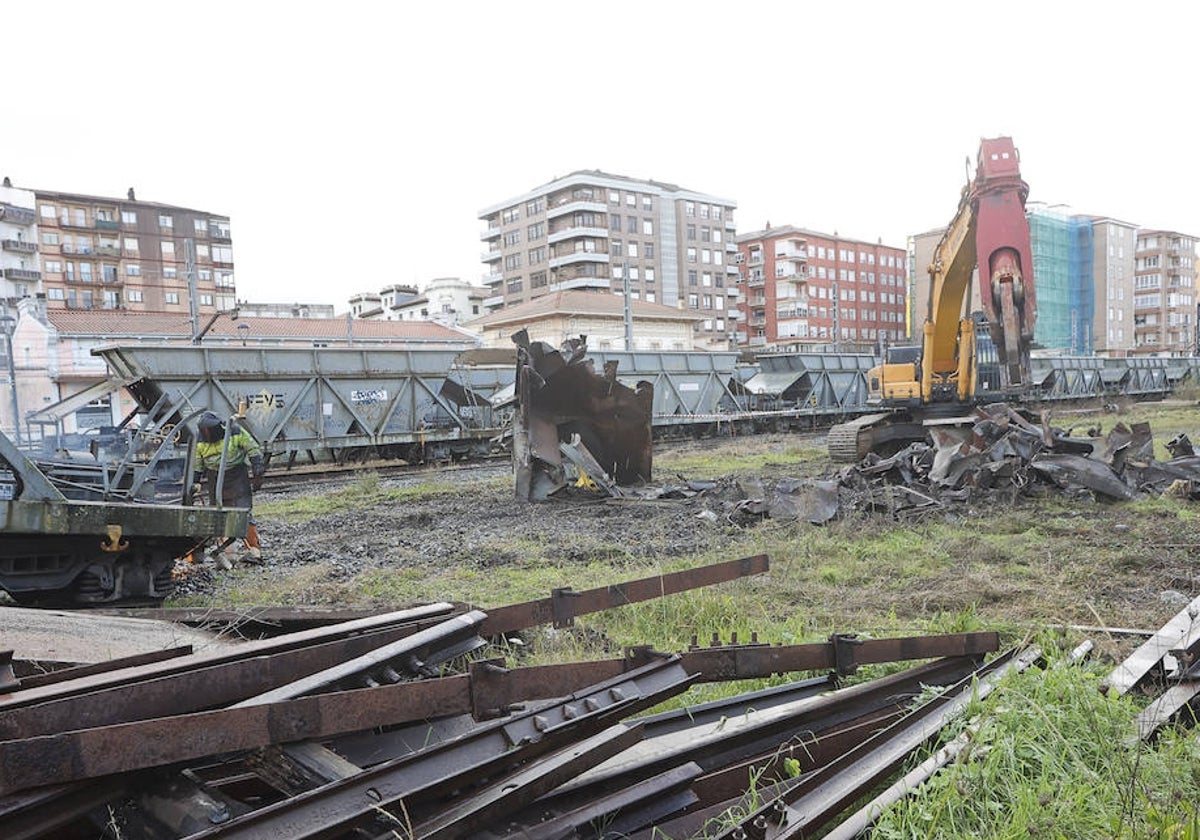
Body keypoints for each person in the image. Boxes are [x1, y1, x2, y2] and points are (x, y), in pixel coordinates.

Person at [192, 411, 265, 561]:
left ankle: (254, 549)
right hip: (214, 477)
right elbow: (198, 463)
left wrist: (257, 467)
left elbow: (252, 447)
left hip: (236, 475)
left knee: (244, 512)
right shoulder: (200, 442)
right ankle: (229, 553)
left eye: (209, 431)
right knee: (219, 514)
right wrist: (196, 481)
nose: (207, 434)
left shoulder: (235, 432)